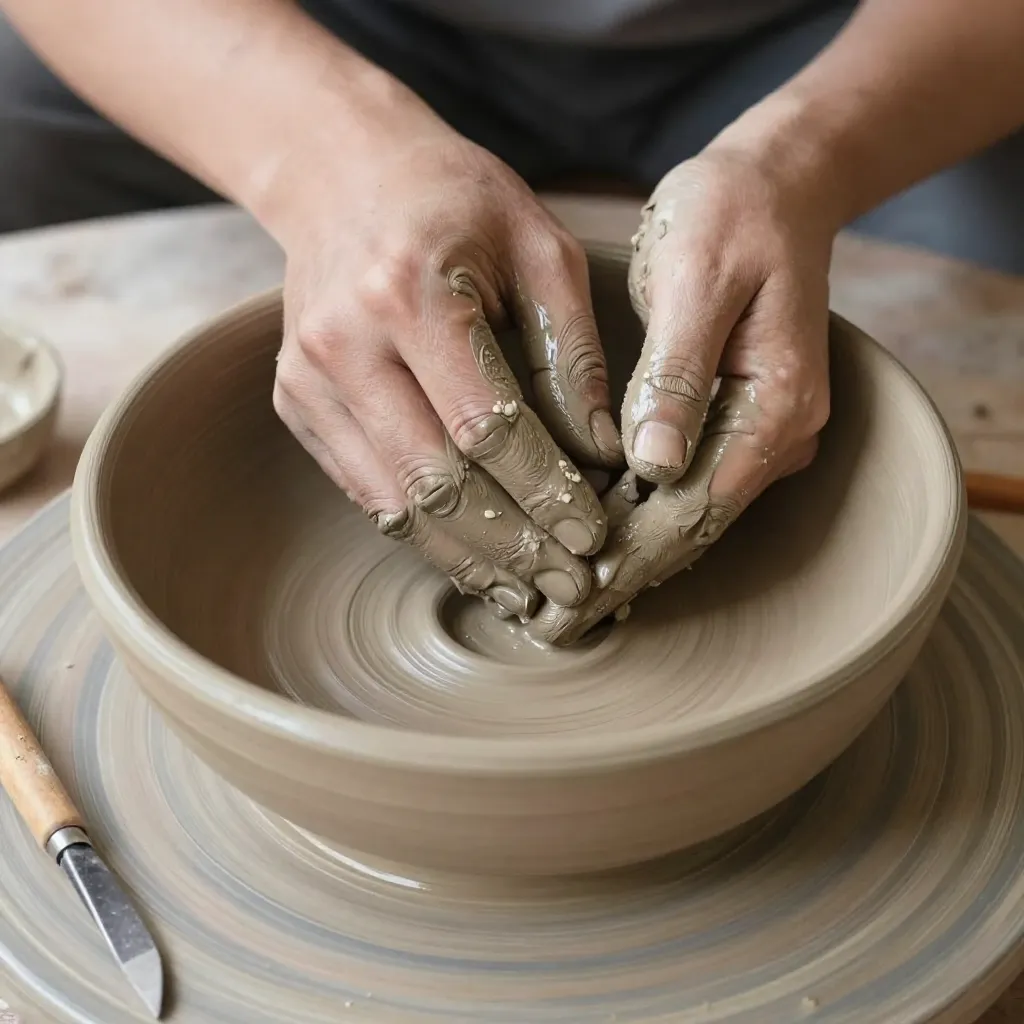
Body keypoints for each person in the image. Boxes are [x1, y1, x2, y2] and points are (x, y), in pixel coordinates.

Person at [3, 0, 1023, 643]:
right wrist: (331, 161)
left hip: (828, 38)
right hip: (324, 26)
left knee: (988, 243)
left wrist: (807, 159)